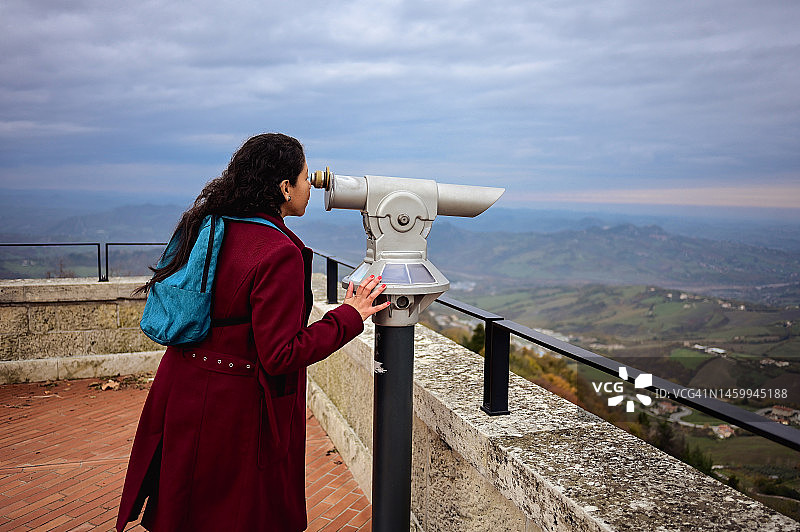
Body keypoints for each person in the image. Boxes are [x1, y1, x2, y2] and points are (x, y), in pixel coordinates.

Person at [115, 133, 389, 532]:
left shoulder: (209, 225)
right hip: (234, 406)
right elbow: (280, 354)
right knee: (238, 513)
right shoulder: (278, 252)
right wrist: (349, 315)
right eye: (304, 178)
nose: (309, 188)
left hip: (183, 385)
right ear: (283, 187)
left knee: (187, 507)